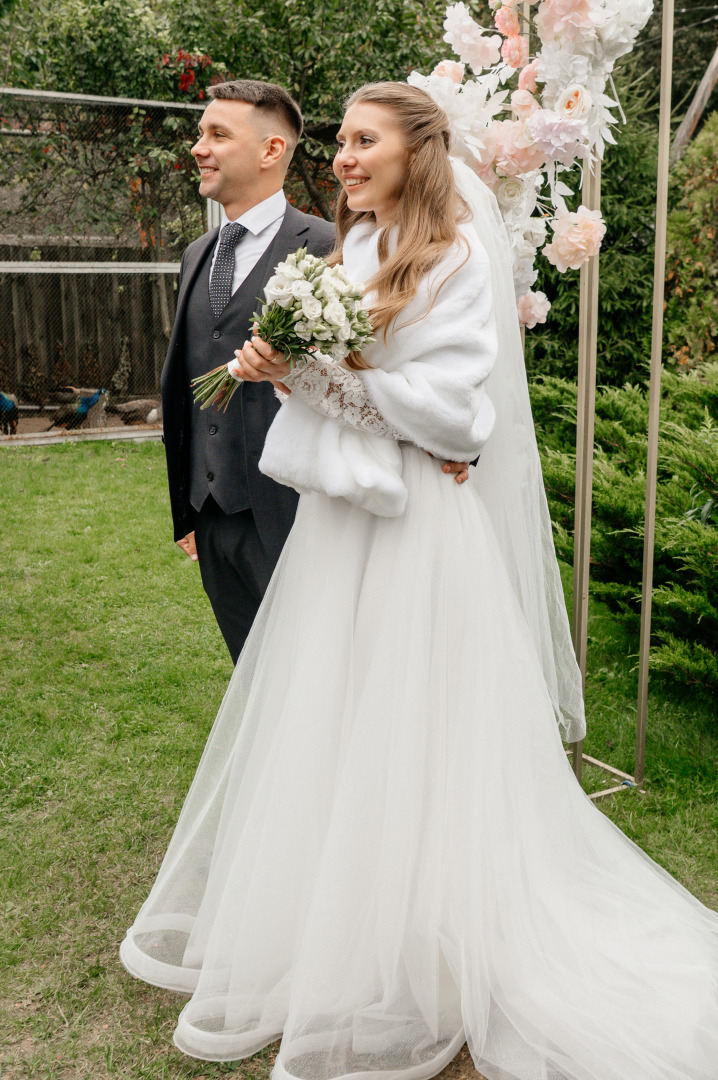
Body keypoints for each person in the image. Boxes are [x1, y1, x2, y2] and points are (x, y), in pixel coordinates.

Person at [122, 83, 718, 1080]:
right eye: (343, 141)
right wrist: (292, 366)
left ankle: (444, 938)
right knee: (338, 715)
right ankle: (347, 925)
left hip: (414, 533)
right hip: (339, 523)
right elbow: (352, 385)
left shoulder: (456, 255)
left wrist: (307, 376)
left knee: (420, 726)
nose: (344, 158)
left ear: (417, 151)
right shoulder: (353, 248)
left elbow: (450, 418)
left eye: (365, 141)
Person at [162, 79, 468, 664]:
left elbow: (407, 352)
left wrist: (457, 442)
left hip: (303, 508)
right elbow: (184, 378)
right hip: (213, 513)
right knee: (254, 681)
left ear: (271, 149)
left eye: (217, 134)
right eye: (201, 133)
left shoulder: (340, 244)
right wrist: (189, 508)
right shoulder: (197, 254)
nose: (198, 148)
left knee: (322, 668)